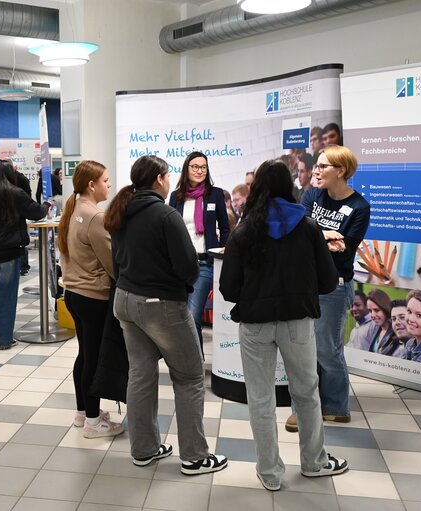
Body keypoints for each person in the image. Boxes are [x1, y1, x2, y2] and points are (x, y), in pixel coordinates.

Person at [220, 160, 347, 491]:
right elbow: (328, 281)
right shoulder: (308, 228)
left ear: (257, 187)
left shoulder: (244, 231)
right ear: (289, 188)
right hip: (298, 322)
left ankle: (271, 473)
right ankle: (315, 462)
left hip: (254, 326)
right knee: (306, 393)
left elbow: (228, 288)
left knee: (260, 399)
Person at [105, 155, 228, 476]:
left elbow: (116, 259)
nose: (171, 179)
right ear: (159, 179)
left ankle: (144, 449)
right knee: (188, 378)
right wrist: (183, 288)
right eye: (168, 175)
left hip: (125, 300)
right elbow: (188, 266)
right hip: (160, 304)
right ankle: (195, 456)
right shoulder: (165, 214)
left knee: (141, 374)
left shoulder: (120, 209)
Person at [287, 145, 370, 433]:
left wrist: (316, 238)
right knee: (301, 348)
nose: (317, 171)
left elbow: (345, 253)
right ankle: (303, 408)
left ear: (341, 171)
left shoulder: (359, 207)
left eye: (323, 167)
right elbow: (298, 234)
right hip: (303, 282)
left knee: (327, 348)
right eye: (317, 166)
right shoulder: (311, 195)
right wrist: (325, 236)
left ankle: (335, 406)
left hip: (335, 285)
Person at [58, 160, 123, 438]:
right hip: (93, 296)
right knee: (93, 358)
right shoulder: (94, 216)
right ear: (91, 185)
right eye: (106, 180)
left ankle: (83, 412)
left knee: (85, 355)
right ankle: (94, 424)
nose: (110, 185)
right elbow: (111, 263)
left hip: (74, 293)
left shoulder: (73, 209)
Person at [0, 160, 50, 353]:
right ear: (11, 174)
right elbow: (36, 213)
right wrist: (47, 204)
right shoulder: (16, 193)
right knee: (5, 298)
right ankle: (4, 340)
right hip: (8, 253)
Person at [169, 151, 230, 350]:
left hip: (204, 264)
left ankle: (195, 365)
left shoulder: (215, 194)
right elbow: (171, 229)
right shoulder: (176, 196)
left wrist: (223, 250)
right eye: (195, 166)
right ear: (187, 168)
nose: (199, 170)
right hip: (179, 265)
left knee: (193, 317)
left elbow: (226, 227)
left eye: (203, 167)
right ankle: (187, 364)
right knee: (180, 317)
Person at [364, 289, 399, 355]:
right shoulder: (374, 329)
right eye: (370, 311)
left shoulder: (396, 334)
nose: (373, 315)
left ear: (385, 308)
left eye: (376, 310)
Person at [14, 166, 33, 276]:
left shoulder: (20, 179)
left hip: (20, 216)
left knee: (22, 242)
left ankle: (24, 266)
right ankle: (23, 265)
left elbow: (28, 195)